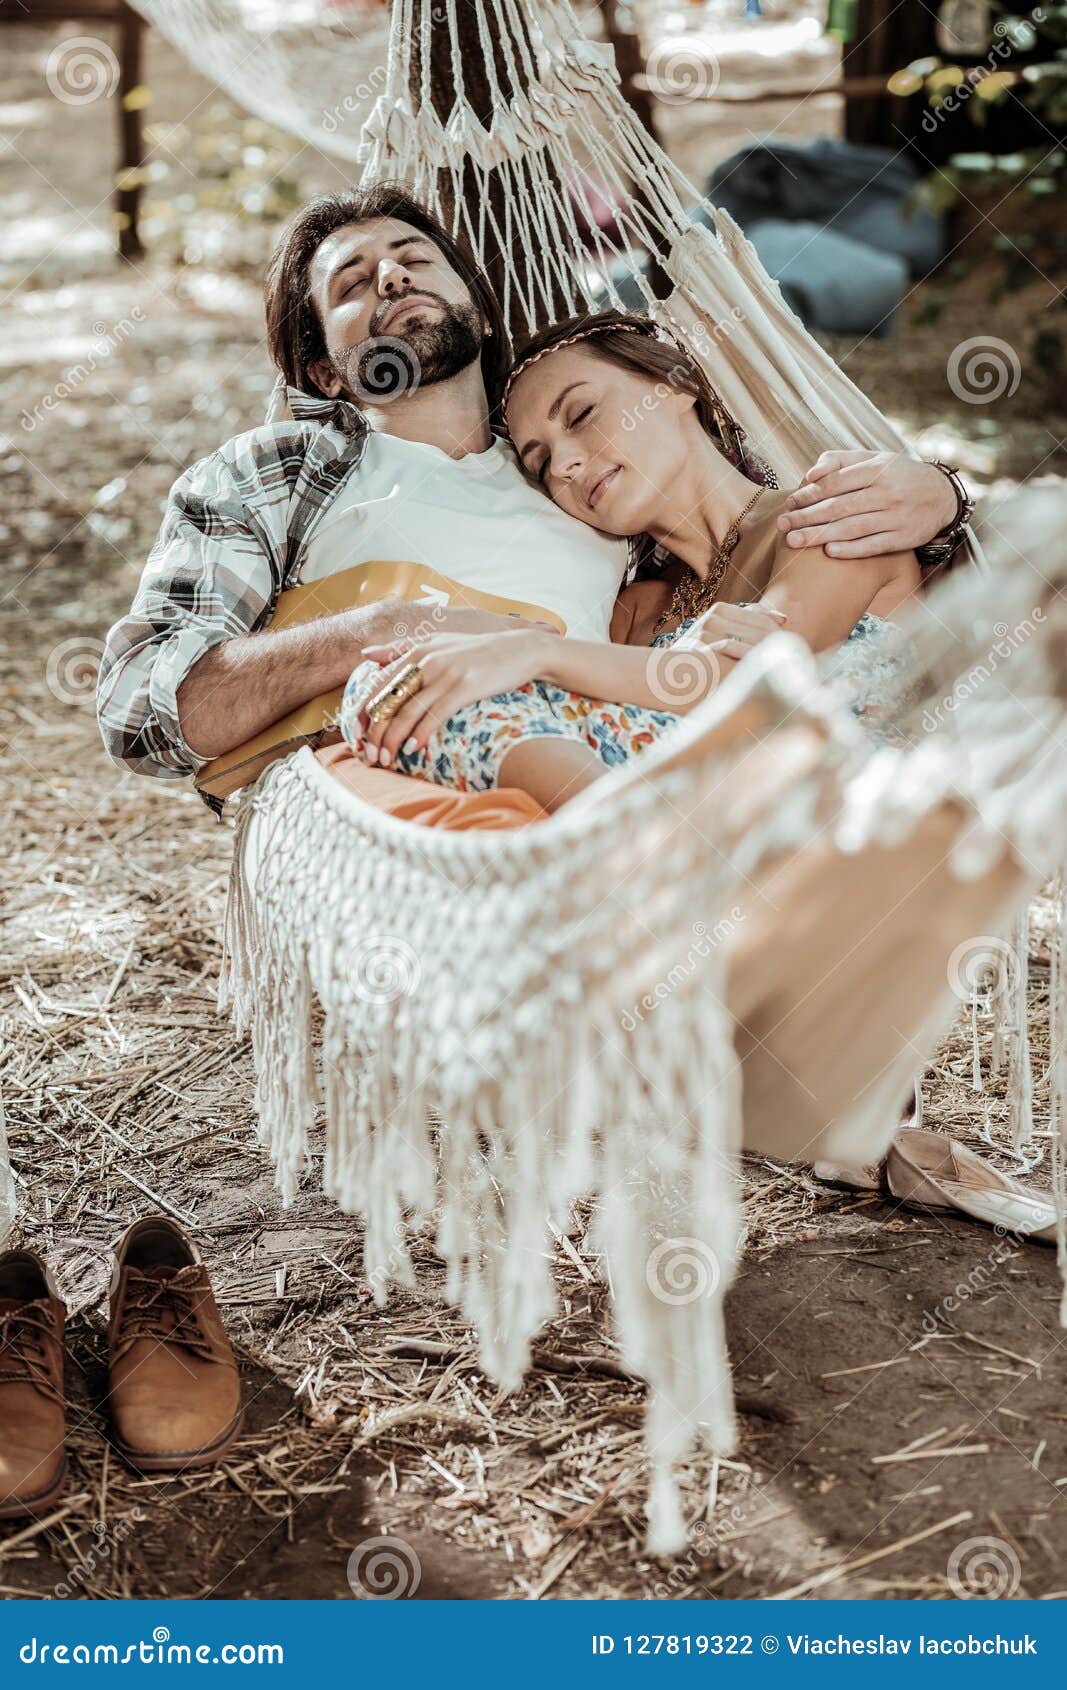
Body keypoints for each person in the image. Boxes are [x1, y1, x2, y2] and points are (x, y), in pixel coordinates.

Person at [96, 184, 967, 795]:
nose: (393, 278)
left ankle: (609, 839)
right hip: (391, 786)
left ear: (474, 304)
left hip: (638, 771)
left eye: (413, 260)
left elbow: (759, 551)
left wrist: (944, 496)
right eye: (353, 284)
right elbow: (141, 714)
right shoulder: (278, 471)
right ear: (325, 369)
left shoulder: (602, 507)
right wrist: (383, 632)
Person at [342, 309, 924, 811]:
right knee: (390, 684)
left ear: (674, 384)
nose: (565, 464)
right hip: (679, 823)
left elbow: (755, 689)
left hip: (836, 824)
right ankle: (630, 841)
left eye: (581, 415)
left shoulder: (833, 516)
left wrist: (538, 650)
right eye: (541, 463)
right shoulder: (635, 613)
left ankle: (634, 841)